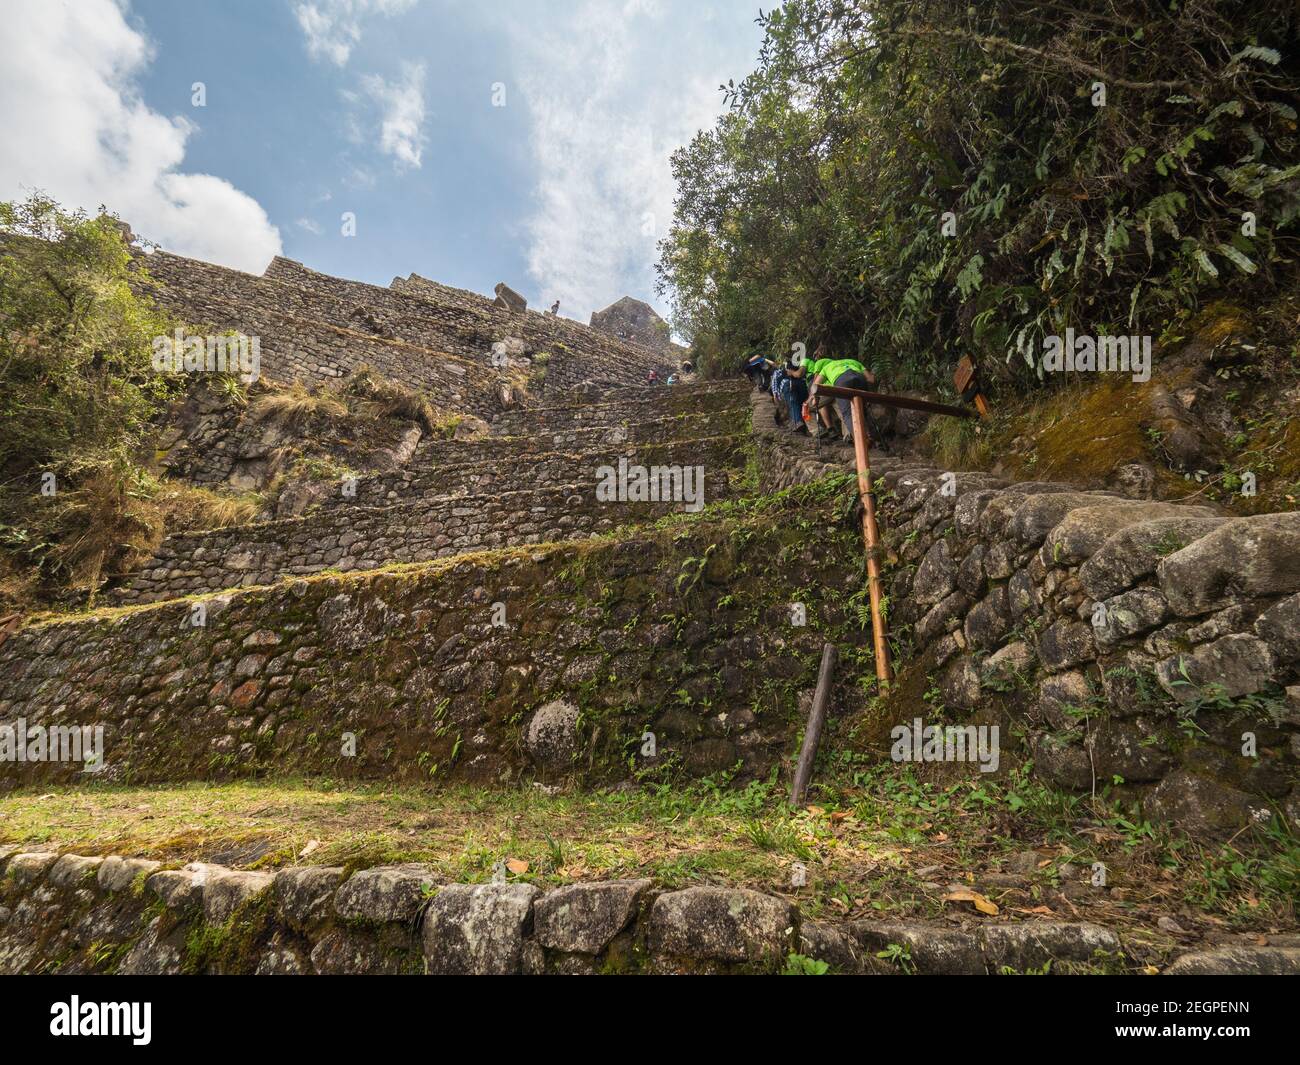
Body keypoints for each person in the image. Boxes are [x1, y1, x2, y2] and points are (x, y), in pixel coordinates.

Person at [801, 345, 884, 447]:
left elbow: (816, 385)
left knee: (847, 413)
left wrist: (814, 398)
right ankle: (873, 438)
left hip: (841, 382)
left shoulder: (825, 366)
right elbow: (871, 379)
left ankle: (862, 442)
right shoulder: (852, 361)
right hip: (860, 379)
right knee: (863, 411)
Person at [769, 359, 810, 434]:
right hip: (802, 384)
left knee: (793, 403)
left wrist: (775, 396)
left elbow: (774, 383)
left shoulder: (779, 371)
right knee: (802, 404)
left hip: (788, 385)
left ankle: (797, 423)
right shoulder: (797, 368)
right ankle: (806, 426)